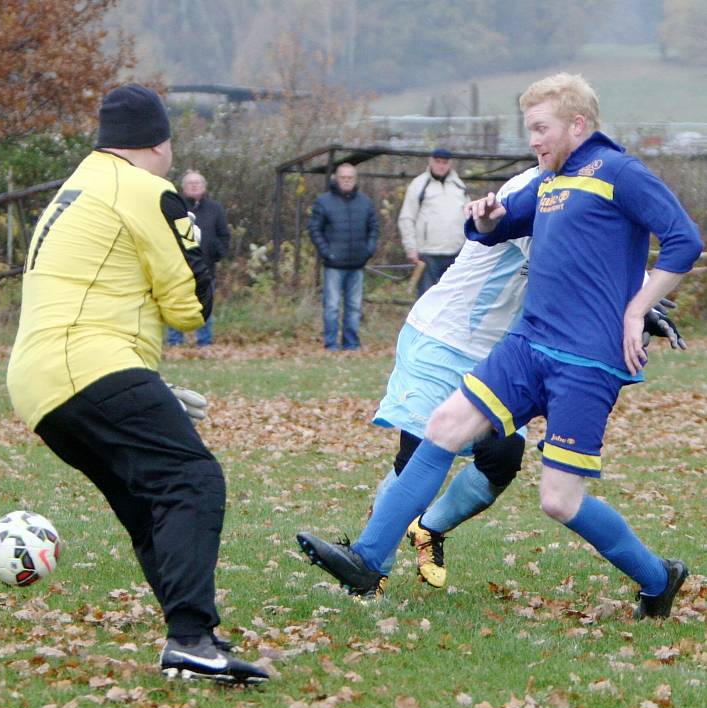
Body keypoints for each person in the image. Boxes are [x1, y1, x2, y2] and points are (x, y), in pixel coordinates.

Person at [297, 73, 702, 621]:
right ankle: (368, 561)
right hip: (527, 344)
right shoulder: (549, 181)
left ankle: (659, 578)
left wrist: (637, 308)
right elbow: (494, 229)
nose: (533, 139)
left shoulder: (621, 172)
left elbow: (684, 240)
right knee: (442, 428)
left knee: (558, 501)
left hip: (587, 360)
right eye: (529, 128)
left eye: (541, 127)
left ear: (577, 124)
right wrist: (484, 218)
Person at [7, 84, 268, 684]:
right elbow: (187, 308)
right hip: (86, 362)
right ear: (159, 142)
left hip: (43, 379)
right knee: (191, 478)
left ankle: (191, 638)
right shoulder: (147, 189)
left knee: (148, 501)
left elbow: (97, 293)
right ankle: (190, 638)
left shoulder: (78, 186)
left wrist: (142, 382)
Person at [307, 163, 379, 351]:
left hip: (357, 264)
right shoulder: (323, 202)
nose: (347, 181)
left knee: (354, 307)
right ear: (336, 179)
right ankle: (331, 344)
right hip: (333, 265)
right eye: (343, 177)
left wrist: (368, 250)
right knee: (331, 307)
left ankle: (351, 344)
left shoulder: (365, 202)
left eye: (350, 177)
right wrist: (326, 252)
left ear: (355, 179)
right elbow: (315, 229)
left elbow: (374, 228)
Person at [166, 170, 230, 347]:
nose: (194, 186)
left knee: (205, 305)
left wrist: (217, 252)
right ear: (183, 187)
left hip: (206, 267)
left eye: (198, 183)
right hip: (178, 267)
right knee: (176, 303)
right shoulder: (175, 207)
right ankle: (174, 342)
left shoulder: (215, 209)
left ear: (204, 186)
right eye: (190, 183)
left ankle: (205, 342)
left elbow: (224, 235)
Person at [398, 147, 469, 297]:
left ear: (450, 164)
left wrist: (467, 246)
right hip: (428, 253)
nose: (441, 166)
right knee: (426, 298)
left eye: (444, 162)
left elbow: (468, 217)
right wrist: (411, 248)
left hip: (455, 253)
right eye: (437, 162)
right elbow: (407, 218)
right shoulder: (419, 185)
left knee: (452, 299)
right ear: (431, 162)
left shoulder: (459, 186)